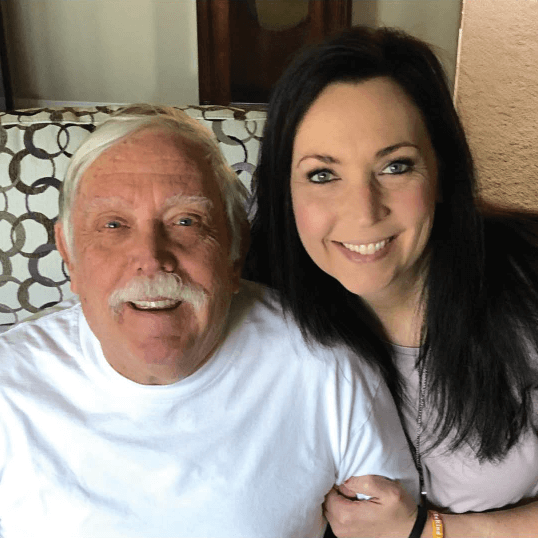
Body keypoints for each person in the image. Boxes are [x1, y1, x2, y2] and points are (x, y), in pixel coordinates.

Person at [0, 105, 418, 538]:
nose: (151, 259)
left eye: (186, 221)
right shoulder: (8, 385)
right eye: (113, 225)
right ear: (67, 251)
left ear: (235, 250)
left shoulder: (328, 367)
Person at [245, 26, 538, 537]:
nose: (364, 212)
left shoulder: (530, 275)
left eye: (395, 166)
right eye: (321, 174)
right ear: (282, 189)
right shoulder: (255, 310)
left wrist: (430, 532)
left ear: (441, 172)